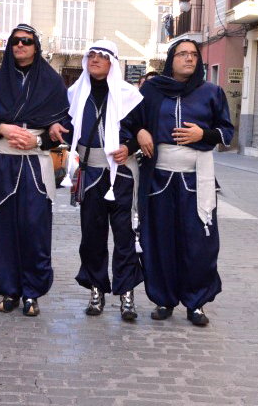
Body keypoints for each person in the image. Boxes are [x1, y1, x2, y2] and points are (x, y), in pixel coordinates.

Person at [0, 24, 69, 316]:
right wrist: (2, 127)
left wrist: (39, 139)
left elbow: (64, 125)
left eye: (26, 41)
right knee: (2, 229)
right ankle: (9, 290)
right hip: (3, 163)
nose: (20, 45)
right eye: (15, 42)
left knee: (35, 230)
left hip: (35, 163)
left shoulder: (52, 82)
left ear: (36, 47)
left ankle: (32, 293)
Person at [130, 39, 234, 326]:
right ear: (171, 59)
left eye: (194, 55)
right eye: (182, 54)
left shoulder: (211, 92)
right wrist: (140, 132)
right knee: (159, 239)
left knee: (199, 243)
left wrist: (203, 135)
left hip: (196, 178)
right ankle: (163, 299)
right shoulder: (152, 90)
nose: (189, 58)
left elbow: (226, 132)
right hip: (159, 178)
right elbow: (131, 119)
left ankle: (196, 302)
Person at [60, 40, 144, 320]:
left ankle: (126, 293)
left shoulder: (129, 95)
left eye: (102, 56)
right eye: (91, 55)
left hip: (121, 174)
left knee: (124, 236)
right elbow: (65, 125)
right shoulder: (74, 93)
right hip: (90, 173)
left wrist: (129, 147)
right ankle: (96, 289)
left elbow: (142, 130)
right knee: (92, 237)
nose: (95, 59)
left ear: (113, 62)